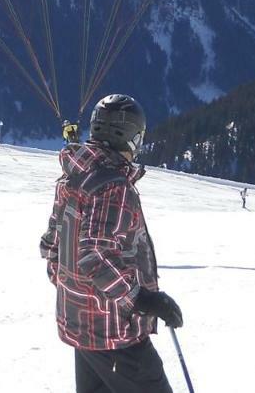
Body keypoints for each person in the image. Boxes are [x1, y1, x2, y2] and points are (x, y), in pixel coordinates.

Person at [40, 94, 180, 393]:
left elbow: (51, 246)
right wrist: (142, 298)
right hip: (114, 333)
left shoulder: (74, 177)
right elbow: (94, 255)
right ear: (133, 139)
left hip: (82, 326)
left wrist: (75, 292)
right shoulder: (113, 186)